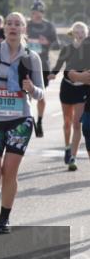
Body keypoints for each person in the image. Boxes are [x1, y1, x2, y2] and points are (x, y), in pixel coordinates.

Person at [0, 12, 45, 233]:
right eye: (9, 23)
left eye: (18, 24)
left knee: (10, 173)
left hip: (20, 121)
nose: (13, 27)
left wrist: (32, 89)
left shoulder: (32, 57)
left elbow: (41, 93)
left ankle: (4, 218)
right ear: (4, 29)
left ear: (24, 29)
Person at [53, 22, 90, 170]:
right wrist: (51, 74)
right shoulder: (67, 49)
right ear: (73, 33)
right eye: (77, 32)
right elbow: (59, 64)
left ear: (86, 34)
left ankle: (73, 157)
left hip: (82, 90)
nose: (80, 34)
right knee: (67, 123)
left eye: (83, 32)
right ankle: (67, 147)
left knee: (77, 123)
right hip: (67, 88)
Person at [27, 1, 58, 137]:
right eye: (34, 12)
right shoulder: (26, 25)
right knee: (25, 94)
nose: (36, 15)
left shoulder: (49, 26)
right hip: (26, 63)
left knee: (40, 95)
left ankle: (39, 121)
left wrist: (47, 42)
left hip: (42, 64)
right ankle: (27, 120)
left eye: (39, 12)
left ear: (43, 13)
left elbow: (57, 44)